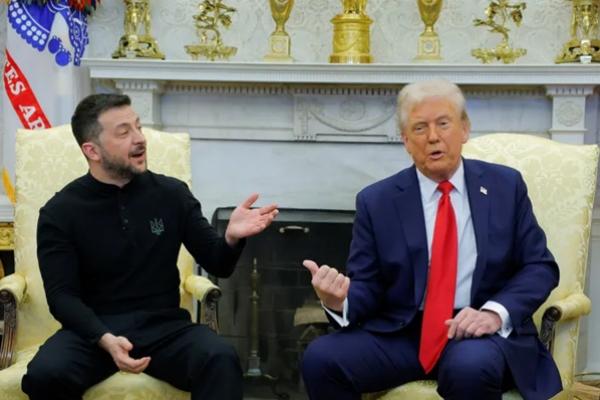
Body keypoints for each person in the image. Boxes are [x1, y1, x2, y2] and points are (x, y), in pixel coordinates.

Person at [301, 79, 562, 400]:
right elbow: (368, 287)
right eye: (420, 128)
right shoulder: (377, 201)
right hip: (406, 333)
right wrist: (338, 301)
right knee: (321, 358)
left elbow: (539, 267)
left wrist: (494, 313)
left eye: (443, 123)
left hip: (479, 332)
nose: (433, 137)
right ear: (406, 141)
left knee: (468, 366)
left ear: (464, 129)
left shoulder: (505, 186)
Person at [21, 93, 278, 400]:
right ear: (92, 150)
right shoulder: (60, 212)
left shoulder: (172, 194)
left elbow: (217, 263)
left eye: (138, 127)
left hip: (165, 327)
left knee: (219, 357)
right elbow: (62, 297)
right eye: (123, 132)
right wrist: (104, 338)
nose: (139, 139)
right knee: (45, 374)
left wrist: (232, 237)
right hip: (94, 331)